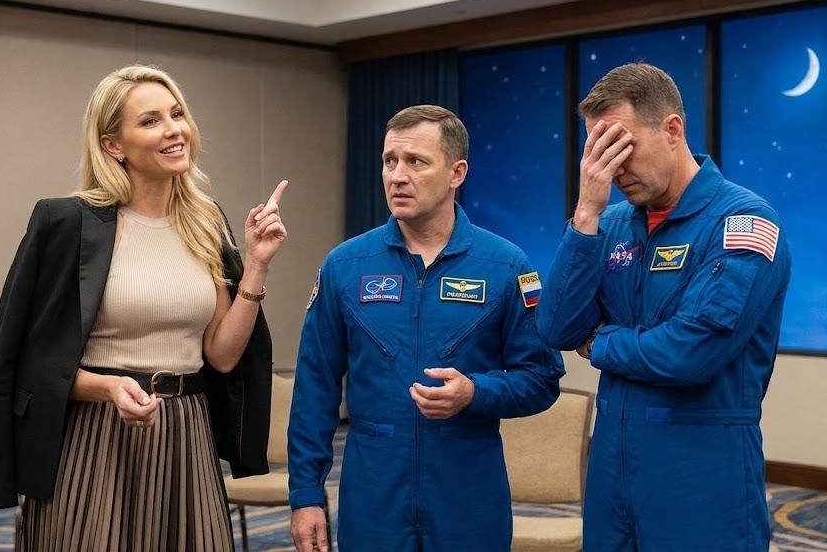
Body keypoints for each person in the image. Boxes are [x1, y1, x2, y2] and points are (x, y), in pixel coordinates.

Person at [0, 64, 288, 551]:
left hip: (186, 434)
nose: (174, 129)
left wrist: (256, 266)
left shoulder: (206, 222)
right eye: (150, 121)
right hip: (94, 438)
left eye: (177, 114)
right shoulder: (67, 223)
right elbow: (31, 366)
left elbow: (223, 355)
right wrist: (107, 388)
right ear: (112, 145)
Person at [536, 62, 791, 552]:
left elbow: (689, 352)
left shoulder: (743, 222)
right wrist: (586, 214)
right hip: (612, 471)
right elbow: (556, 329)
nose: (612, 167)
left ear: (672, 130)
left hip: (700, 471)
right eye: (599, 152)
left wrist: (601, 341)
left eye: (622, 146)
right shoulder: (608, 224)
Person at [287, 104, 565, 552]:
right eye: (389, 161)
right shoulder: (346, 265)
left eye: (416, 162)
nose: (397, 176)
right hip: (373, 500)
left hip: (468, 500)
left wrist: (475, 393)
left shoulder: (506, 266)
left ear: (457, 173)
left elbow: (542, 378)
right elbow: (314, 388)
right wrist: (305, 495)